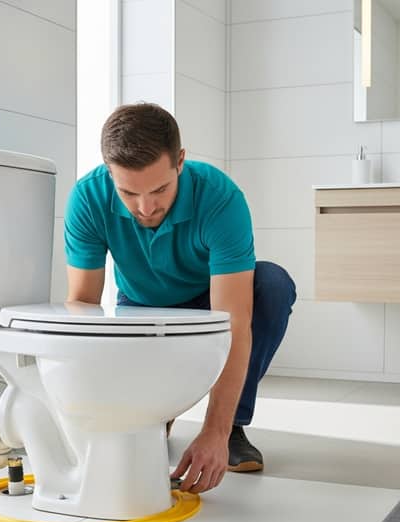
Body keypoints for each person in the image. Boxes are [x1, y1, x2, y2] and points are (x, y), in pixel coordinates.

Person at [64, 103, 296, 494]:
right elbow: (83, 309)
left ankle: (231, 425)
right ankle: (156, 413)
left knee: (272, 284)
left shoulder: (219, 197)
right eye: (128, 193)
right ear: (108, 173)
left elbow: (234, 323)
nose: (146, 207)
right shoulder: (88, 198)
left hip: (209, 304)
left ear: (180, 163)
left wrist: (214, 432)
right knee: (141, 415)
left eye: (159, 189)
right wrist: (85, 412)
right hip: (139, 307)